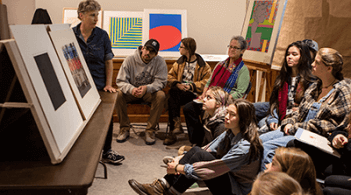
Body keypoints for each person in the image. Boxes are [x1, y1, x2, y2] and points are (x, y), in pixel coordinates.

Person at [128, 99, 263, 195]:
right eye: (227, 112)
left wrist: (179, 167)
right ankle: (164, 188)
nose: (226, 117)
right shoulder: (230, 132)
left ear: (243, 119)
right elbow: (207, 149)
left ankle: (162, 188)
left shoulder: (245, 147)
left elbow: (215, 168)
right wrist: (180, 159)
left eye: (232, 115)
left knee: (198, 157)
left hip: (235, 190)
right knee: (198, 152)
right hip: (227, 176)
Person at [259, 47, 351, 171]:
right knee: (258, 142)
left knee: (267, 148)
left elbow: (336, 125)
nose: (312, 64)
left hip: (313, 138)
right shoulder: (315, 87)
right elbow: (300, 112)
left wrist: (296, 128)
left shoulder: (342, 91)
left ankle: (272, 186)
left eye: (317, 62)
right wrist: (289, 122)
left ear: (329, 68)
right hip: (296, 130)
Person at [73, 0, 124, 164]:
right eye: (92, 15)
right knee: (79, 118)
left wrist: (108, 84)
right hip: (78, 85)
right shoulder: (71, 34)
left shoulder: (102, 35)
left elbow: (108, 61)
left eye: (97, 15)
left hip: (100, 84)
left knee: (105, 119)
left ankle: (107, 150)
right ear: (81, 15)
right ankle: (80, 151)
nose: (96, 19)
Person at [183, 35, 250, 146]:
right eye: (230, 46)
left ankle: (205, 142)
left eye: (235, 48)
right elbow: (209, 82)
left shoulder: (243, 70)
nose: (232, 49)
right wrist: (204, 95)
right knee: (189, 108)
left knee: (203, 109)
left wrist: (221, 98)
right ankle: (197, 140)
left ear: (242, 51)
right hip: (211, 97)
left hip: (225, 101)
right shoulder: (221, 64)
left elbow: (240, 92)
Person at [254, 40, 316, 134]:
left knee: (261, 131)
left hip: (293, 119)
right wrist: (273, 118)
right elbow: (275, 103)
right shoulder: (283, 78)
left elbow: (307, 108)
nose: (289, 57)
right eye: (288, 54)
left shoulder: (310, 80)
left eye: (294, 54)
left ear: (303, 57)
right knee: (247, 110)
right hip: (280, 113)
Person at [116, 39, 167, 145]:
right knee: (118, 94)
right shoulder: (129, 60)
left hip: (148, 92)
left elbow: (161, 82)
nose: (148, 53)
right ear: (142, 48)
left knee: (161, 95)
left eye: (152, 51)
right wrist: (132, 89)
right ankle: (124, 128)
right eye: (147, 49)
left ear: (156, 54)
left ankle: (150, 131)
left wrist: (147, 88)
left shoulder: (160, 62)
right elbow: (120, 81)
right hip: (132, 92)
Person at [164, 37, 211, 145]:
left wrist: (191, 86)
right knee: (173, 93)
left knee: (173, 97)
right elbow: (169, 76)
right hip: (180, 92)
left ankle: (175, 129)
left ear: (188, 49)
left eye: (181, 47)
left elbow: (207, 82)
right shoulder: (179, 63)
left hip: (195, 94)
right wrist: (178, 84)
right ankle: (175, 127)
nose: (179, 49)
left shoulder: (203, 65)